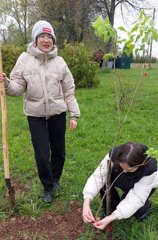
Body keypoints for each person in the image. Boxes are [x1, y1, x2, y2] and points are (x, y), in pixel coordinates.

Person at [0, 20, 80, 203]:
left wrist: (73, 115)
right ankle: (47, 186)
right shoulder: (24, 60)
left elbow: (69, 91)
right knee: (42, 154)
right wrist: (6, 83)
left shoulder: (60, 62)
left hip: (57, 114)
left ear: (53, 40)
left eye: (49, 37)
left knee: (59, 152)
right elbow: (17, 88)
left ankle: (56, 179)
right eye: (42, 36)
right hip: (35, 116)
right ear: (35, 39)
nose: (46, 40)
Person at [82, 142, 158, 230]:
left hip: (143, 185)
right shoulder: (114, 155)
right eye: (122, 167)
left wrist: (114, 216)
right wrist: (86, 202)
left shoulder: (149, 170)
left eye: (130, 170)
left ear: (140, 165)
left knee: (135, 204)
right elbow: (98, 177)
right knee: (105, 186)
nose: (124, 172)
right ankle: (110, 210)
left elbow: (137, 197)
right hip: (117, 176)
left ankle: (142, 213)